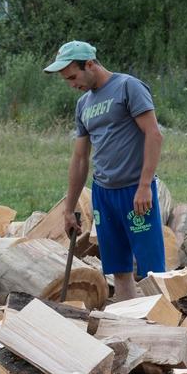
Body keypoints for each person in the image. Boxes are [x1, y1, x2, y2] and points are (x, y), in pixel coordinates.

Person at [44, 40, 165, 300]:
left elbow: (154, 135)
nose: (71, 84)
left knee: (152, 270)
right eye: (66, 80)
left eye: (73, 76)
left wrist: (145, 186)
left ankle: (161, 329)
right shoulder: (83, 104)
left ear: (90, 64)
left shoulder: (128, 87)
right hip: (104, 194)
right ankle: (125, 327)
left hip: (135, 191)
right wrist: (69, 208)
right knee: (119, 269)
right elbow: (79, 158)